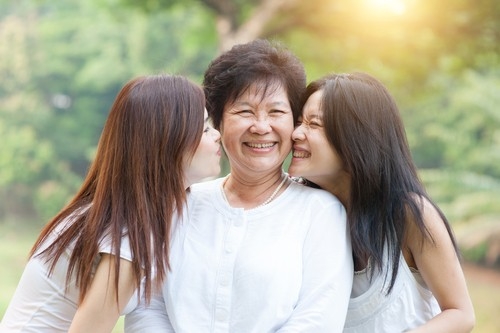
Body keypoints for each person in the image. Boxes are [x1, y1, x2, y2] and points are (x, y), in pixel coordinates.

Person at [125, 39, 353, 332]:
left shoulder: (321, 212)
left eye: (276, 112)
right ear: (216, 121)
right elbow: (147, 305)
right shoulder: (181, 203)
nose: (261, 127)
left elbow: (318, 318)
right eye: (245, 111)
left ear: (294, 123)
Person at [0, 74, 221, 332]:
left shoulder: (122, 215)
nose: (217, 135)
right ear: (169, 143)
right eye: (205, 129)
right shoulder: (129, 233)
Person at [288, 72, 475, 332]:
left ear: (356, 137)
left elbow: (461, 313)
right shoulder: (299, 208)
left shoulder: (409, 215)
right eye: (298, 122)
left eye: (314, 124)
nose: (296, 133)